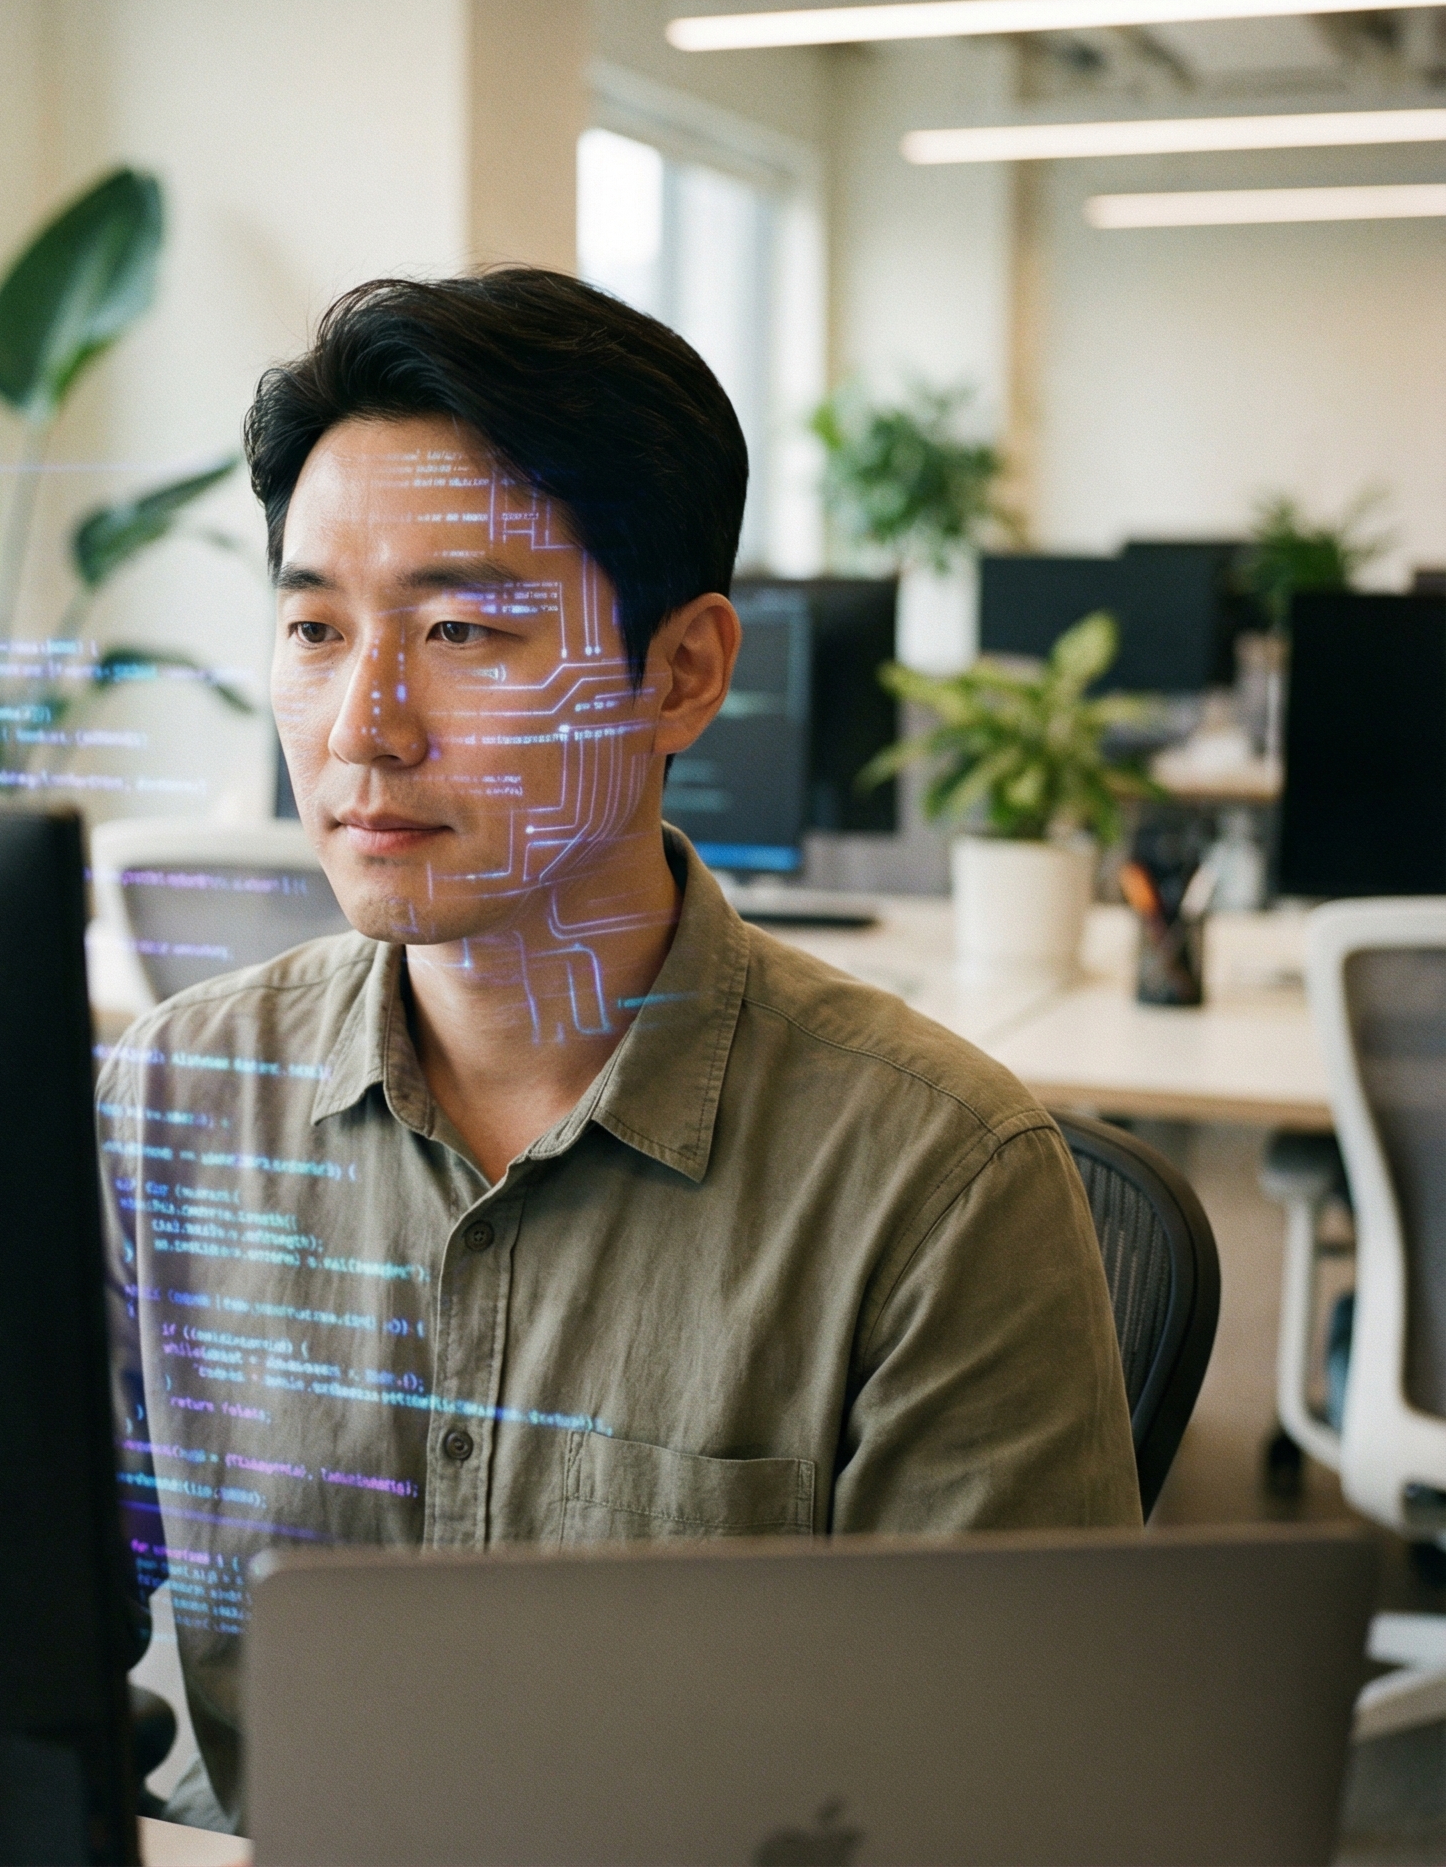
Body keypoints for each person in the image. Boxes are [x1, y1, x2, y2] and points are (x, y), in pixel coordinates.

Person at [98, 269, 1140, 1834]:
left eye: (460, 629)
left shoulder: (940, 1182)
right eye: (314, 627)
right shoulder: (174, 1102)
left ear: (684, 675)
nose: (363, 724)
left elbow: (1014, 1804)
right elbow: (13, 1650)